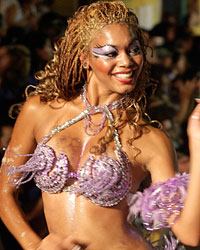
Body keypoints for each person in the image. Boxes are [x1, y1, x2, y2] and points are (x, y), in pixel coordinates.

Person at [0, 1, 199, 249]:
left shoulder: (148, 139)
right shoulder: (39, 111)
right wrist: (33, 245)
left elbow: (189, 234)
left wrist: (198, 143)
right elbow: (4, 192)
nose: (126, 61)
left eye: (134, 50)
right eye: (110, 53)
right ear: (84, 58)